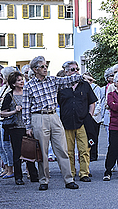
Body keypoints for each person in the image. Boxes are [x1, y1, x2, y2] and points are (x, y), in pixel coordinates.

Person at [22, 56, 81, 191]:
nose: (45, 69)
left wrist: (79, 75)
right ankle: (44, 180)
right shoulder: (29, 86)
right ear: (35, 69)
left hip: (54, 115)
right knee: (42, 151)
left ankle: (69, 179)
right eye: (42, 66)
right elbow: (25, 108)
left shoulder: (53, 80)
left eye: (46, 66)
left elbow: (68, 80)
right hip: (38, 117)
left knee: (62, 148)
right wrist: (28, 126)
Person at [58, 64, 98, 183]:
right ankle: (70, 172)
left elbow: (92, 102)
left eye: (77, 69)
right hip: (66, 122)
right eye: (72, 70)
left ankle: (84, 173)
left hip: (83, 122)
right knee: (68, 150)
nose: (76, 71)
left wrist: (89, 116)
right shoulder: (61, 86)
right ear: (66, 72)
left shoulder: (84, 85)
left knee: (84, 149)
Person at [0, 71, 27, 185]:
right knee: (17, 152)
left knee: (30, 151)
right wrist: (14, 111)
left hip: (27, 125)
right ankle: (18, 176)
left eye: (22, 79)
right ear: (14, 83)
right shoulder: (9, 96)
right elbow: (2, 114)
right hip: (16, 127)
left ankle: (33, 174)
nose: (22, 82)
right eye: (19, 80)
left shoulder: (27, 93)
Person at [0, 66, 16, 179]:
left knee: (6, 146)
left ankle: (10, 168)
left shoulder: (10, 89)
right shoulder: (3, 88)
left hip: (5, 120)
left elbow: (0, 103)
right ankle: (5, 167)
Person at [21, 65, 39, 182]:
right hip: (26, 120)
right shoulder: (26, 87)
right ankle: (31, 171)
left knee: (39, 147)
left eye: (30, 73)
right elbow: (26, 107)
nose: (29, 76)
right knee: (29, 146)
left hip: (37, 118)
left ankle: (38, 172)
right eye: (27, 73)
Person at [84, 73, 104, 162]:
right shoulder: (81, 87)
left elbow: (98, 103)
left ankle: (93, 154)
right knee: (85, 136)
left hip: (95, 117)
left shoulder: (96, 88)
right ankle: (86, 153)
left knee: (94, 136)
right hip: (85, 116)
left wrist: (92, 114)